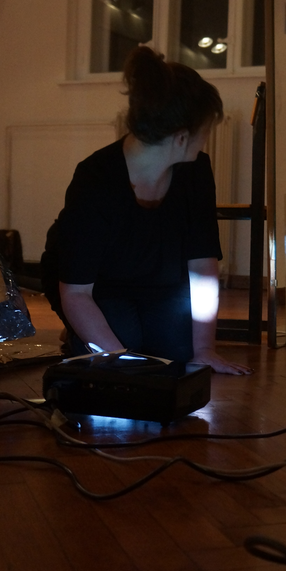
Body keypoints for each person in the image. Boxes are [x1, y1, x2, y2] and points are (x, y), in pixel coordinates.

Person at [41, 46, 251, 375]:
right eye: (206, 130)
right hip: (95, 288)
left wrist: (204, 350)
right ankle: (76, 334)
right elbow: (76, 293)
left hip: (159, 282)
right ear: (181, 137)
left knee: (176, 353)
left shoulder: (195, 171)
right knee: (123, 345)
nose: (206, 139)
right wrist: (119, 361)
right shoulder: (96, 177)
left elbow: (202, 265)